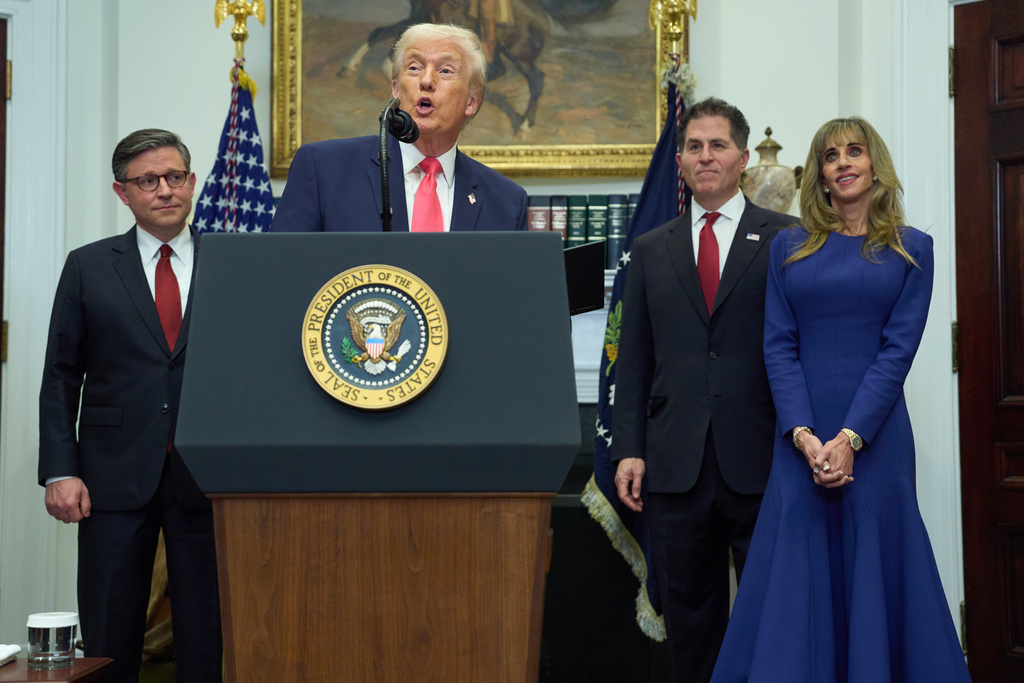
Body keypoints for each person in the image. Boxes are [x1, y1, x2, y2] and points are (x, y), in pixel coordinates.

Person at [710, 117, 972, 682]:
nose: (844, 163)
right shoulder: (788, 248)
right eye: (831, 156)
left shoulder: (912, 249)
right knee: (793, 582)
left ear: (874, 164)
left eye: (855, 151)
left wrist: (850, 439)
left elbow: (896, 355)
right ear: (821, 177)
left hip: (875, 443)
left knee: (876, 569)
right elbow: (777, 349)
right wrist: (805, 437)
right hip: (797, 443)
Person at [612, 97, 796, 682]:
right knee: (692, 619)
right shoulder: (649, 249)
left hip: (765, 457)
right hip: (674, 462)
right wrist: (628, 448)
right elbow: (634, 359)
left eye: (718, 145)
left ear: (743, 158)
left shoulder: (788, 241)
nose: (705, 156)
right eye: (694, 146)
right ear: (681, 163)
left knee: (776, 613)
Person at [38, 129, 221, 683]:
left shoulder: (231, 260)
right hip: (111, 475)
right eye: (147, 181)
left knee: (208, 634)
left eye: (174, 177)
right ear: (123, 193)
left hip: (207, 474)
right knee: (109, 632)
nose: (164, 190)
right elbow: (61, 375)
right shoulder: (89, 266)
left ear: (191, 183)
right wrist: (60, 470)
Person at [271, 22, 528, 234]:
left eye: (446, 70)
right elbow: (282, 275)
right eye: (414, 68)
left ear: (471, 102)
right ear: (396, 90)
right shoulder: (323, 171)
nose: (426, 80)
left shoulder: (506, 202)